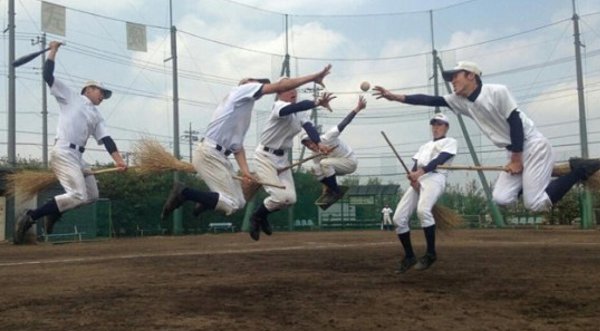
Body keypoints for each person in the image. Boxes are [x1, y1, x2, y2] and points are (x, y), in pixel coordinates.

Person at [373, 61, 600, 216]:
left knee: (536, 204)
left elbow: (516, 122)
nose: (452, 81)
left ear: (471, 76)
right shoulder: (459, 100)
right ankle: (538, 174)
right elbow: (430, 100)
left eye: (456, 76)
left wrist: (517, 159)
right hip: (513, 151)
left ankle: (577, 170)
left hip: (532, 145)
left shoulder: (496, 91)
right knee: (502, 198)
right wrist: (395, 97)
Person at [160, 65, 333, 227]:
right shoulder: (241, 90)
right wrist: (314, 78)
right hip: (209, 152)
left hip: (218, 155)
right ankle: (184, 193)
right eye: (256, 81)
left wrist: (245, 172)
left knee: (240, 202)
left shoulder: (243, 111)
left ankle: (206, 201)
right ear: (245, 83)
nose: (259, 84)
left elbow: (237, 148)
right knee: (232, 203)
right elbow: (279, 86)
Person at [13, 41, 127, 244]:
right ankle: (32, 216)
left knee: (91, 195)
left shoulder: (97, 116)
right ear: (89, 89)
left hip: (78, 157)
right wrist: (53, 52)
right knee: (78, 195)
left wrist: (119, 161)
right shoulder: (71, 97)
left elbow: (107, 140)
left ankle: (54, 211)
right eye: (101, 91)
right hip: (64, 152)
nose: (103, 96)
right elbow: (48, 76)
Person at [249, 81, 335, 241]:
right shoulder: (278, 106)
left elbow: (308, 126)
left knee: (290, 200)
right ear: (279, 92)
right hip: (265, 156)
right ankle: (256, 217)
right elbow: (292, 108)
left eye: (294, 88)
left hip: (282, 158)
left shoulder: (301, 111)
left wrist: (319, 143)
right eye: (288, 89)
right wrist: (316, 102)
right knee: (279, 198)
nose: (293, 91)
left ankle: (262, 215)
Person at [389, 113, 457, 272]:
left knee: (423, 210)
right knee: (398, 219)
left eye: (440, 124)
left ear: (446, 127)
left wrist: (419, 173)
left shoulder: (450, 142)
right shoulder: (424, 146)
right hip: (420, 179)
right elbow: (415, 166)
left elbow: (439, 160)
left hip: (435, 178)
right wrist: (412, 177)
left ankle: (431, 254)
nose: (436, 127)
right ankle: (409, 256)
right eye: (434, 124)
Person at [300, 96, 367, 206]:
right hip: (337, 166)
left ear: (314, 137)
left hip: (349, 161)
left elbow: (344, 123)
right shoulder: (314, 154)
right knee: (316, 168)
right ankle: (332, 189)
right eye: (307, 145)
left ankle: (336, 191)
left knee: (324, 163)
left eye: (310, 142)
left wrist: (358, 108)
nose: (310, 146)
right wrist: (325, 190)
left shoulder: (327, 137)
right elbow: (323, 172)